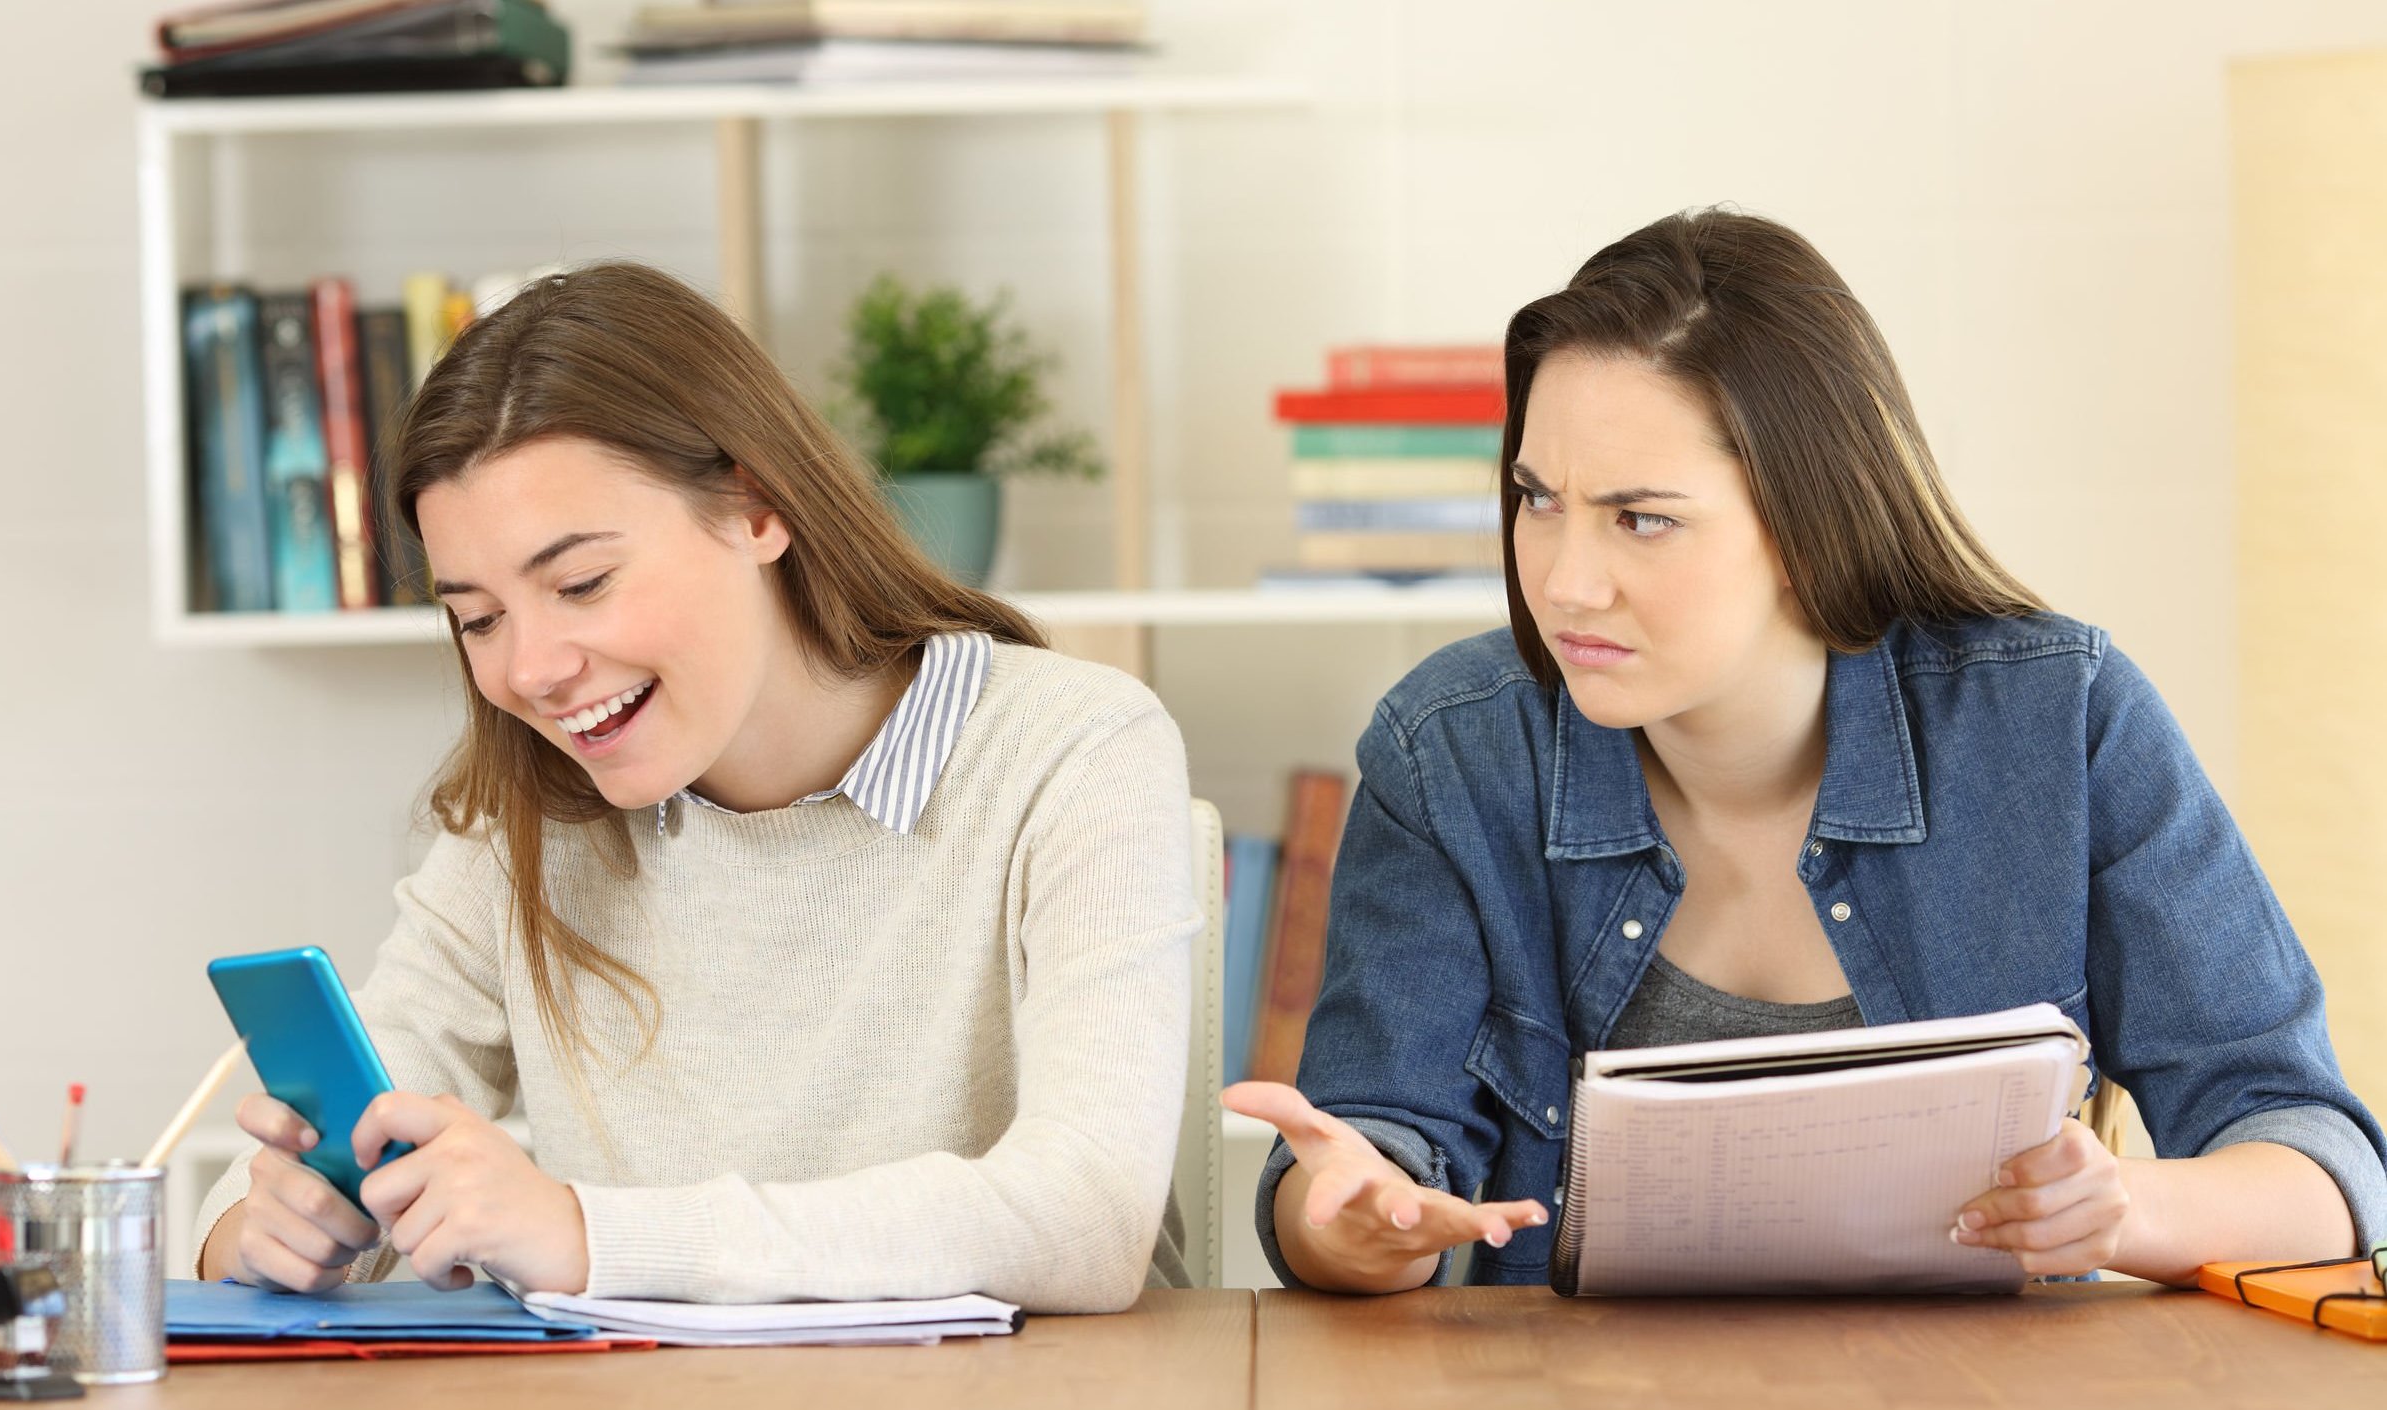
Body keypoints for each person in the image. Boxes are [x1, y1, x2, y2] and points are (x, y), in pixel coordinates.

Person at [1228, 208, 2387, 1295]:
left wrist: (2124, 1209)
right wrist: (1352, 1224)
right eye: (1539, 500)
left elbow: (2316, 1159)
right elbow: (1363, 1156)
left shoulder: (2060, 722)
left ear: (1806, 521)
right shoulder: (1452, 751)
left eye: (1642, 518)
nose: (1566, 581)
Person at [193, 262, 1199, 1312]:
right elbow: (354, 1108)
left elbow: (1090, 1215)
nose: (530, 670)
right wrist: (263, 1229)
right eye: (479, 618)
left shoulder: (1071, 748)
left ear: (756, 508)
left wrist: (591, 1236)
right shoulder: (528, 821)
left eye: (581, 583)